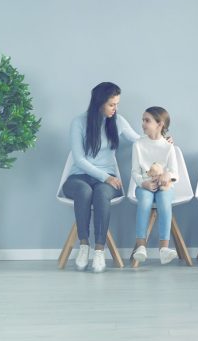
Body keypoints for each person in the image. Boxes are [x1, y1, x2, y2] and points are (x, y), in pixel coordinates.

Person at [63, 82, 140, 273]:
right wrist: (105, 177)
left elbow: (139, 140)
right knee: (84, 190)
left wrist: (163, 138)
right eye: (112, 104)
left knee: (100, 195)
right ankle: (83, 246)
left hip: (107, 179)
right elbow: (79, 160)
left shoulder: (119, 121)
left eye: (117, 104)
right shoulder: (78, 122)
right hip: (79, 177)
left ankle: (99, 250)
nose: (116, 109)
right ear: (99, 103)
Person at [129, 107, 179, 265]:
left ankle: (164, 249)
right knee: (144, 203)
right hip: (145, 185)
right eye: (142, 120)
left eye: (147, 120)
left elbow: (175, 173)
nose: (143, 123)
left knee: (165, 204)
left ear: (160, 124)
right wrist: (143, 183)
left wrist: (167, 175)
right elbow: (135, 171)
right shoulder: (138, 145)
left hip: (164, 186)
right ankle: (141, 247)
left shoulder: (168, 146)